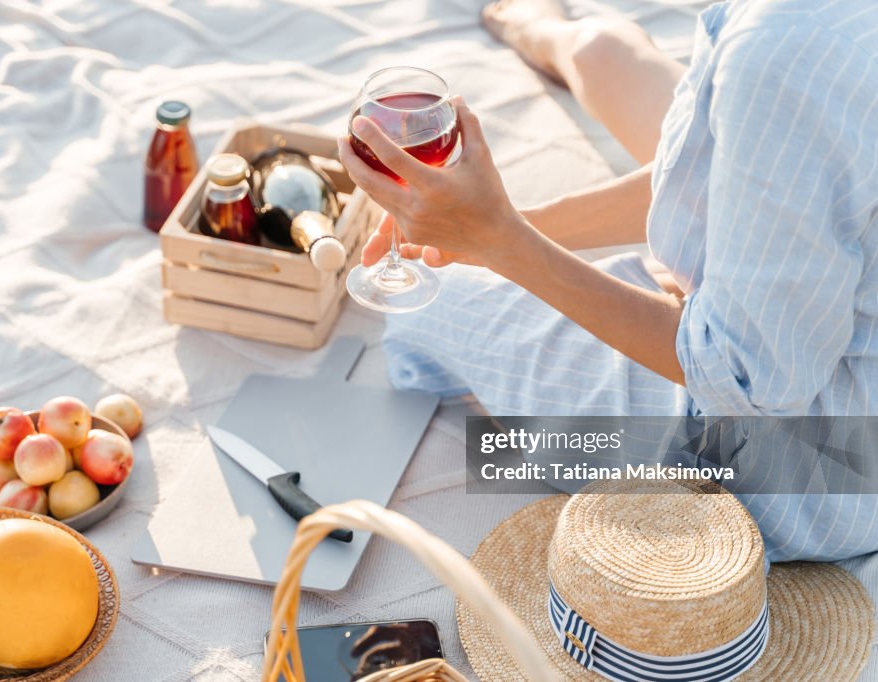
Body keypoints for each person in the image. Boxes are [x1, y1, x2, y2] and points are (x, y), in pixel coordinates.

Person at [336, 0, 878, 563]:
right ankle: (546, 33)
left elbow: (745, 378)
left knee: (426, 306)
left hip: (829, 458)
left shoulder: (781, 54)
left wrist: (502, 242)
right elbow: (726, 169)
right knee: (606, 54)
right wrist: (503, 226)